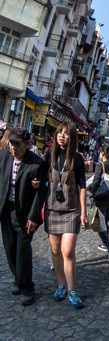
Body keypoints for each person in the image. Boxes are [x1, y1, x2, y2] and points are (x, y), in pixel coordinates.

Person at [0, 128, 46, 306]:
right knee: (10, 247)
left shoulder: (36, 164)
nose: (13, 148)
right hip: (6, 210)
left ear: (27, 144)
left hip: (25, 214)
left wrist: (34, 217)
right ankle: (17, 279)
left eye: (17, 144)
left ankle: (27, 287)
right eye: (11, 143)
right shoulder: (4, 157)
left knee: (22, 250)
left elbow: (40, 193)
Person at [44, 122, 88, 308]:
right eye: (60, 132)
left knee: (67, 251)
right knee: (55, 250)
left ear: (72, 137)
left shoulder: (77, 159)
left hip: (71, 211)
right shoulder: (49, 156)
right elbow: (38, 175)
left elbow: (82, 186)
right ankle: (60, 285)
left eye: (66, 133)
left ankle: (72, 291)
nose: (62, 136)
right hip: (52, 210)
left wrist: (84, 211)